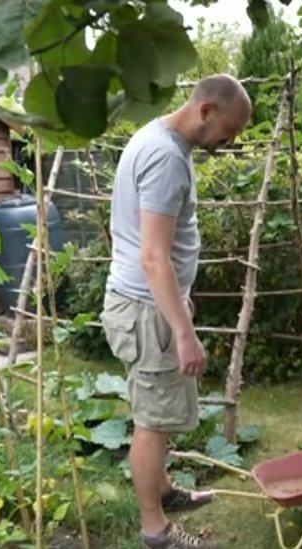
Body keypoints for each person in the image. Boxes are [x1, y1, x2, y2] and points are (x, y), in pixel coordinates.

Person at [100, 74, 251, 549]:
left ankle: (163, 491)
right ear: (205, 109)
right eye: (230, 129)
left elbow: (145, 246)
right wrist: (183, 333)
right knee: (152, 420)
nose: (231, 142)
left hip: (147, 304)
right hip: (146, 314)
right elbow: (152, 256)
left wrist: (179, 295)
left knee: (159, 414)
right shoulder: (166, 157)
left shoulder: (155, 138)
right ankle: (155, 529)